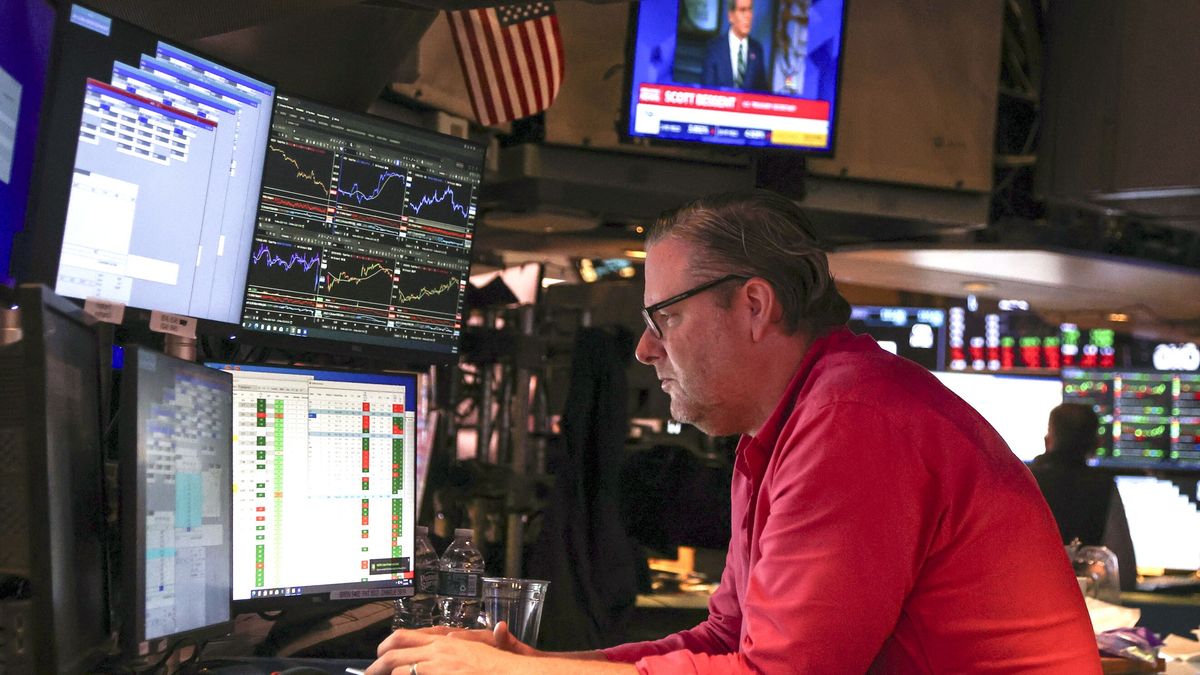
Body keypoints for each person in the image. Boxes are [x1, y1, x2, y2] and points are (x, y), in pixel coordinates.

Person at [368, 190, 1101, 674]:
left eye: (665, 318)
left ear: (754, 305)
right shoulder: (784, 425)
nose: (645, 350)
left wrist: (520, 674)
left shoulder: (853, 421)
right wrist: (532, 661)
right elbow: (724, 641)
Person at [1030, 403, 1138, 591]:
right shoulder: (1103, 488)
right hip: (1087, 610)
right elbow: (1125, 574)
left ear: (1048, 439)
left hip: (1028, 601)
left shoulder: (1025, 480)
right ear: (1097, 444)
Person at [701, 0, 768, 91]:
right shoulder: (714, 48)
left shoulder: (757, 50)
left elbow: (762, 92)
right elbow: (706, 90)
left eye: (750, 10)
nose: (748, 16)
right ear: (731, 16)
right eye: (742, 10)